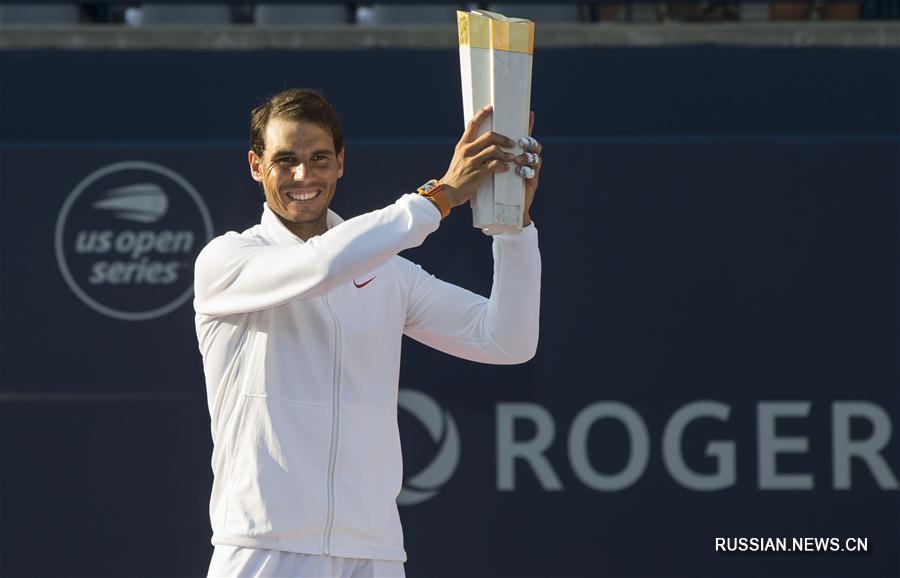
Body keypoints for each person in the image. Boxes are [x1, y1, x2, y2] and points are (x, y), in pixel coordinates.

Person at [194, 88, 542, 578]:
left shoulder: (388, 272)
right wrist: (438, 196)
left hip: (373, 551)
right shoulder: (226, 261)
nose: (303, 176)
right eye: (285, 160)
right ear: (255, 166)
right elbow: (320, 265)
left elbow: (507, 340)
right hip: (264, 547)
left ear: (340, 163)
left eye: (318, 159)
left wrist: (513, 229)